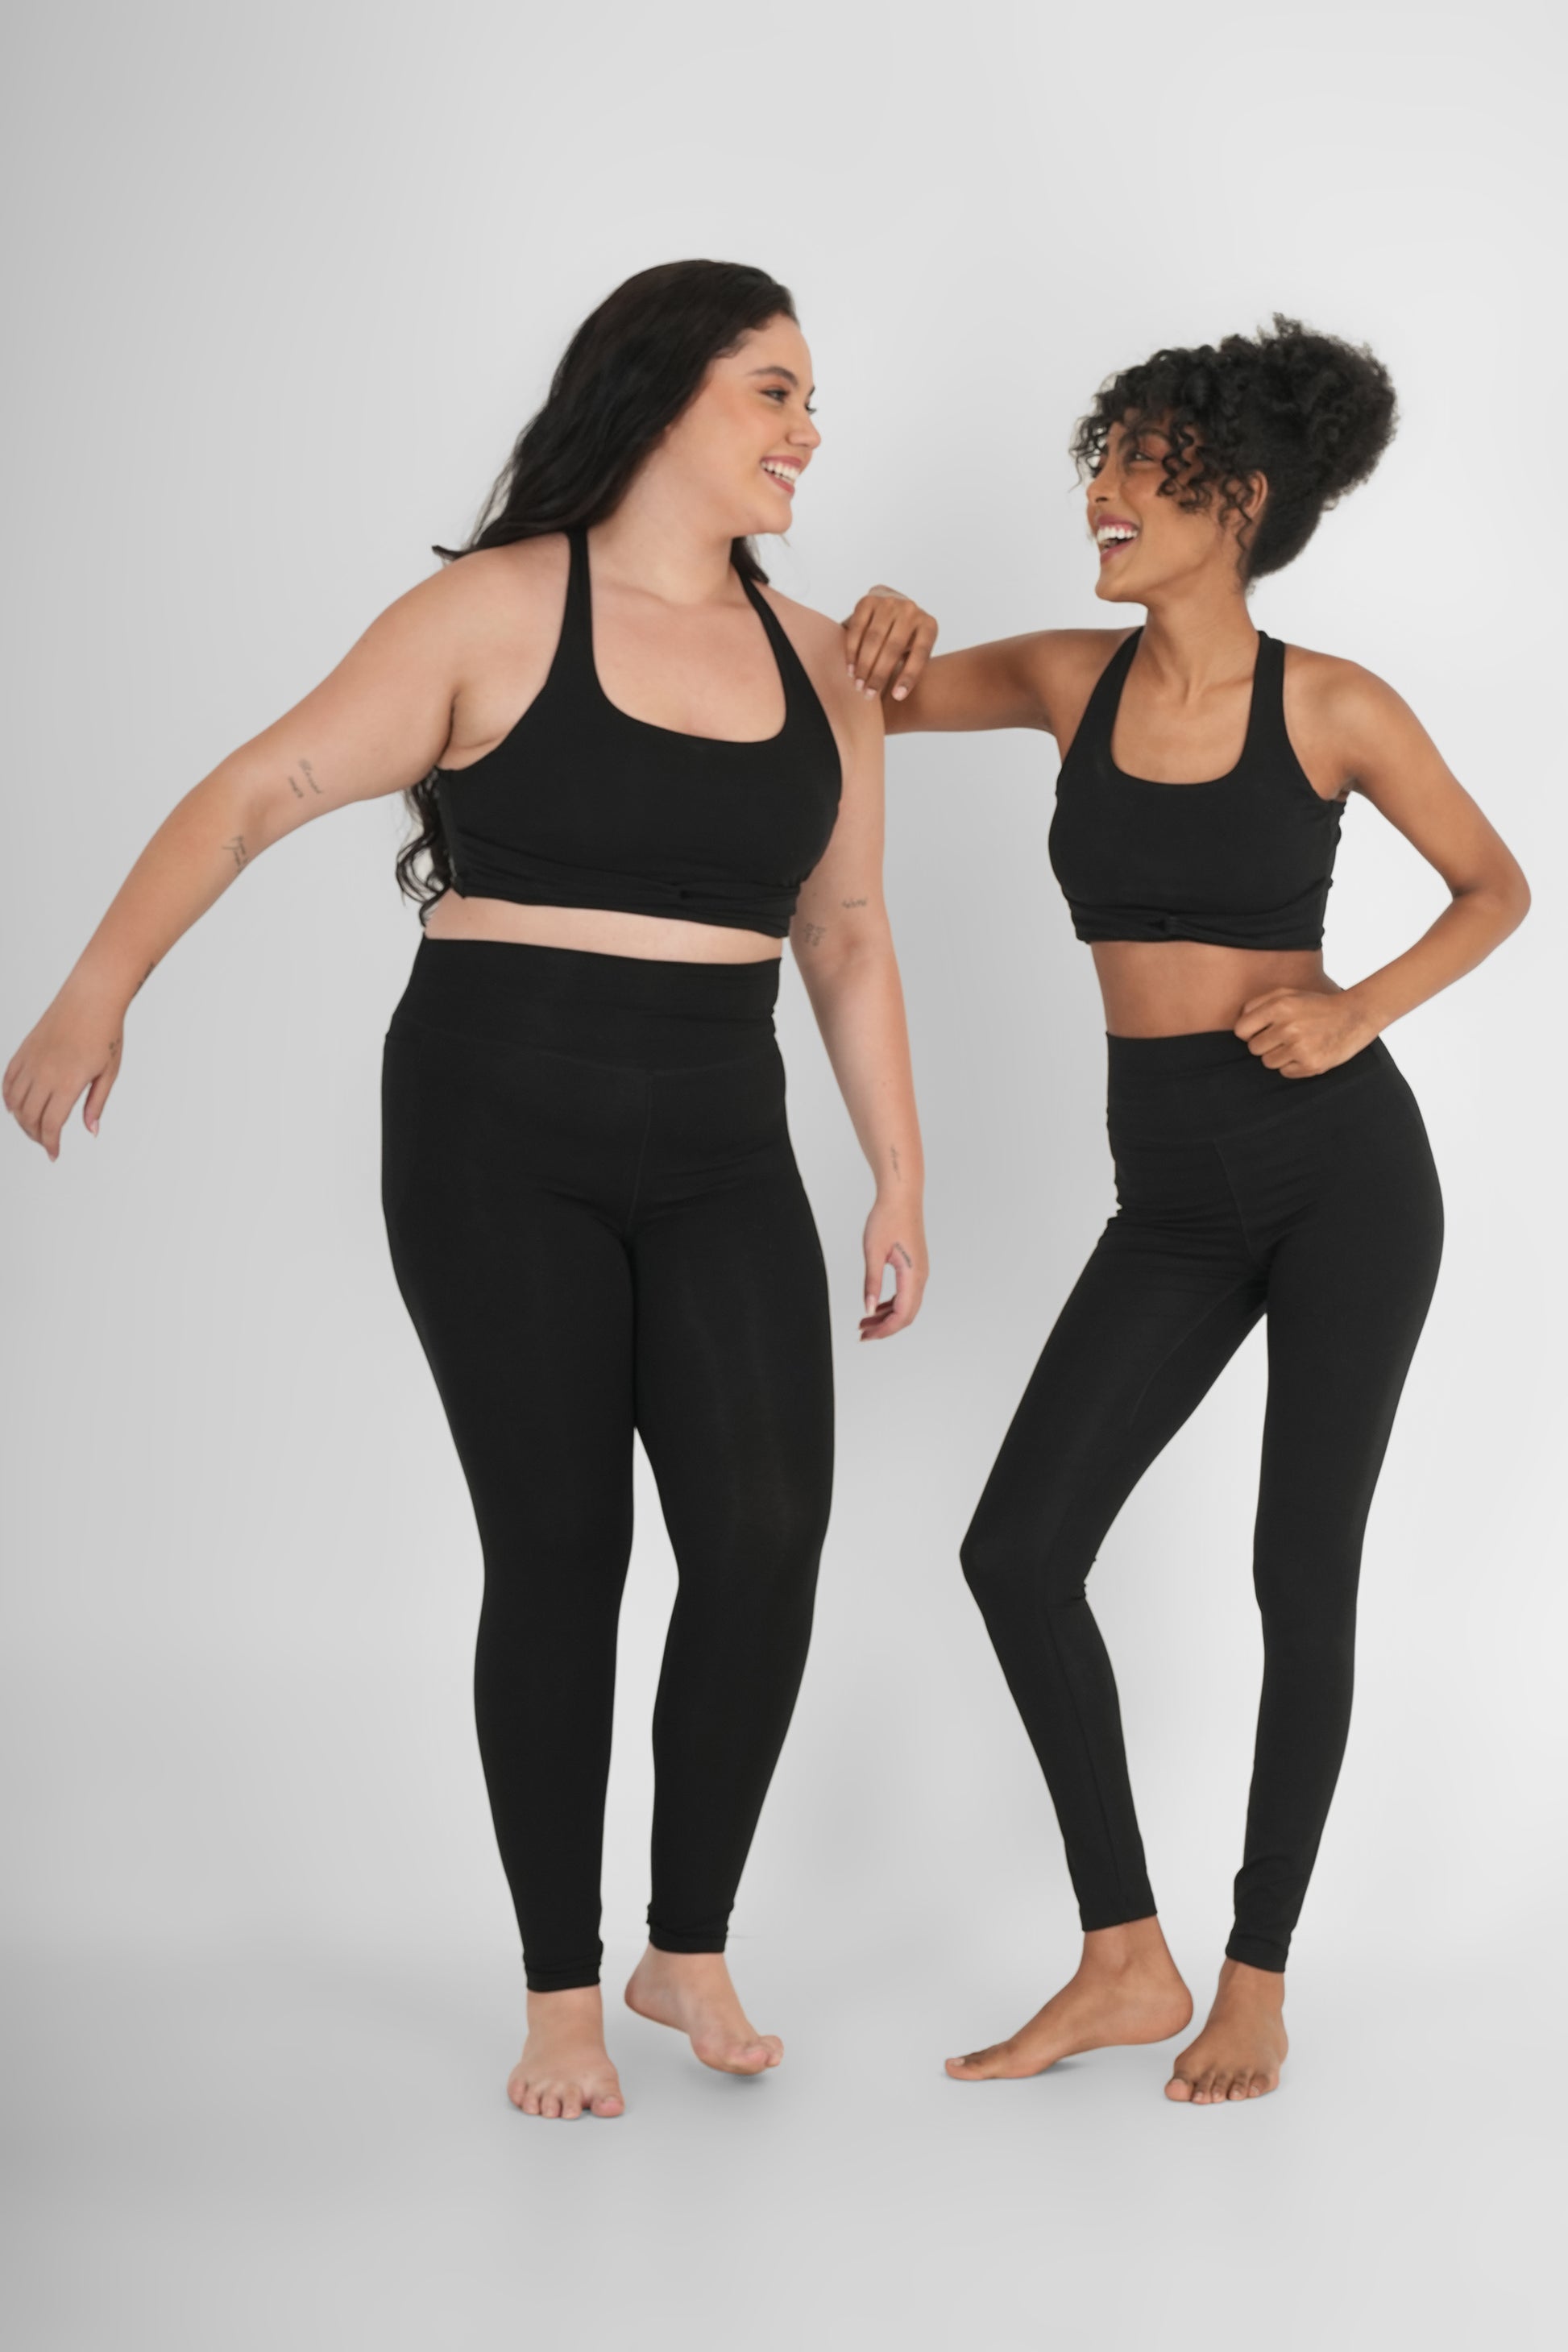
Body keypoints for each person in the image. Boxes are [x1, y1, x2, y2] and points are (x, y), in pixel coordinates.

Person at [5, 259, 929, 2123]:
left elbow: (842, 929)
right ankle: (559, 1992)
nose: (808, 430)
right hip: (495, 1125)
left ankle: (685, 1943)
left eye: (811, 398)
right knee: (563, 1549)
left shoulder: (827, 659)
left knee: (764, 1533)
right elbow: (258, 788)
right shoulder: (494, 610)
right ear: (660, 391)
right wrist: (100, 983)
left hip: (721, 1128)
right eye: (773, 390)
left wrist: (898, 1168)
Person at [845, 316, 1529, 2102]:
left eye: (1142, 465)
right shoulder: (1066, 677)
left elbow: (1494, 884)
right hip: (1167, 1198)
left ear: (1238, 500)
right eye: (1103, 458)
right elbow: (859, 694)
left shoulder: (1333, 705)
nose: (1102, 490)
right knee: (1016, 1552)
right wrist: (879, 622)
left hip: (1340, 1177)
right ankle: (1123, 1959)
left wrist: (1357, 1007)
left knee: (1297, 1572)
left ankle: (1254, 1977)